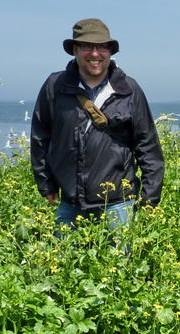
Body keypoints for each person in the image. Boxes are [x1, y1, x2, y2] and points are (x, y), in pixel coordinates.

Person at [31, 18, 164, 231]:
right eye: (86, 46)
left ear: (110, 51)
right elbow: (40, 136)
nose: (95, 53)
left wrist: (150, 198)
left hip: (119, 204)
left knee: (118, 264)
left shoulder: (128, 89)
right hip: (69, 202)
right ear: (75, 50)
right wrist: (45, 183)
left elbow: (147, 145)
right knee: (63, 262)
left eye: (102, 46)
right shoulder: (55, 86)